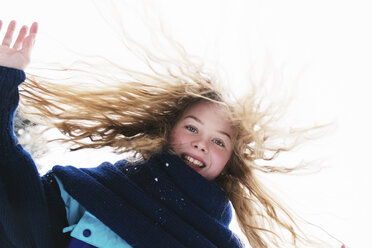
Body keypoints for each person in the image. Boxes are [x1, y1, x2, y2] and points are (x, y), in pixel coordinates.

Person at [0, 20, 345, 248]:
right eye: (192, 127)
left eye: (219, 141)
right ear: (167, 133)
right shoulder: (97, 190)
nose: (201, 142)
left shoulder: (218, 243)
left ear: (230, 161)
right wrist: (4, 80)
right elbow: (15, 197)